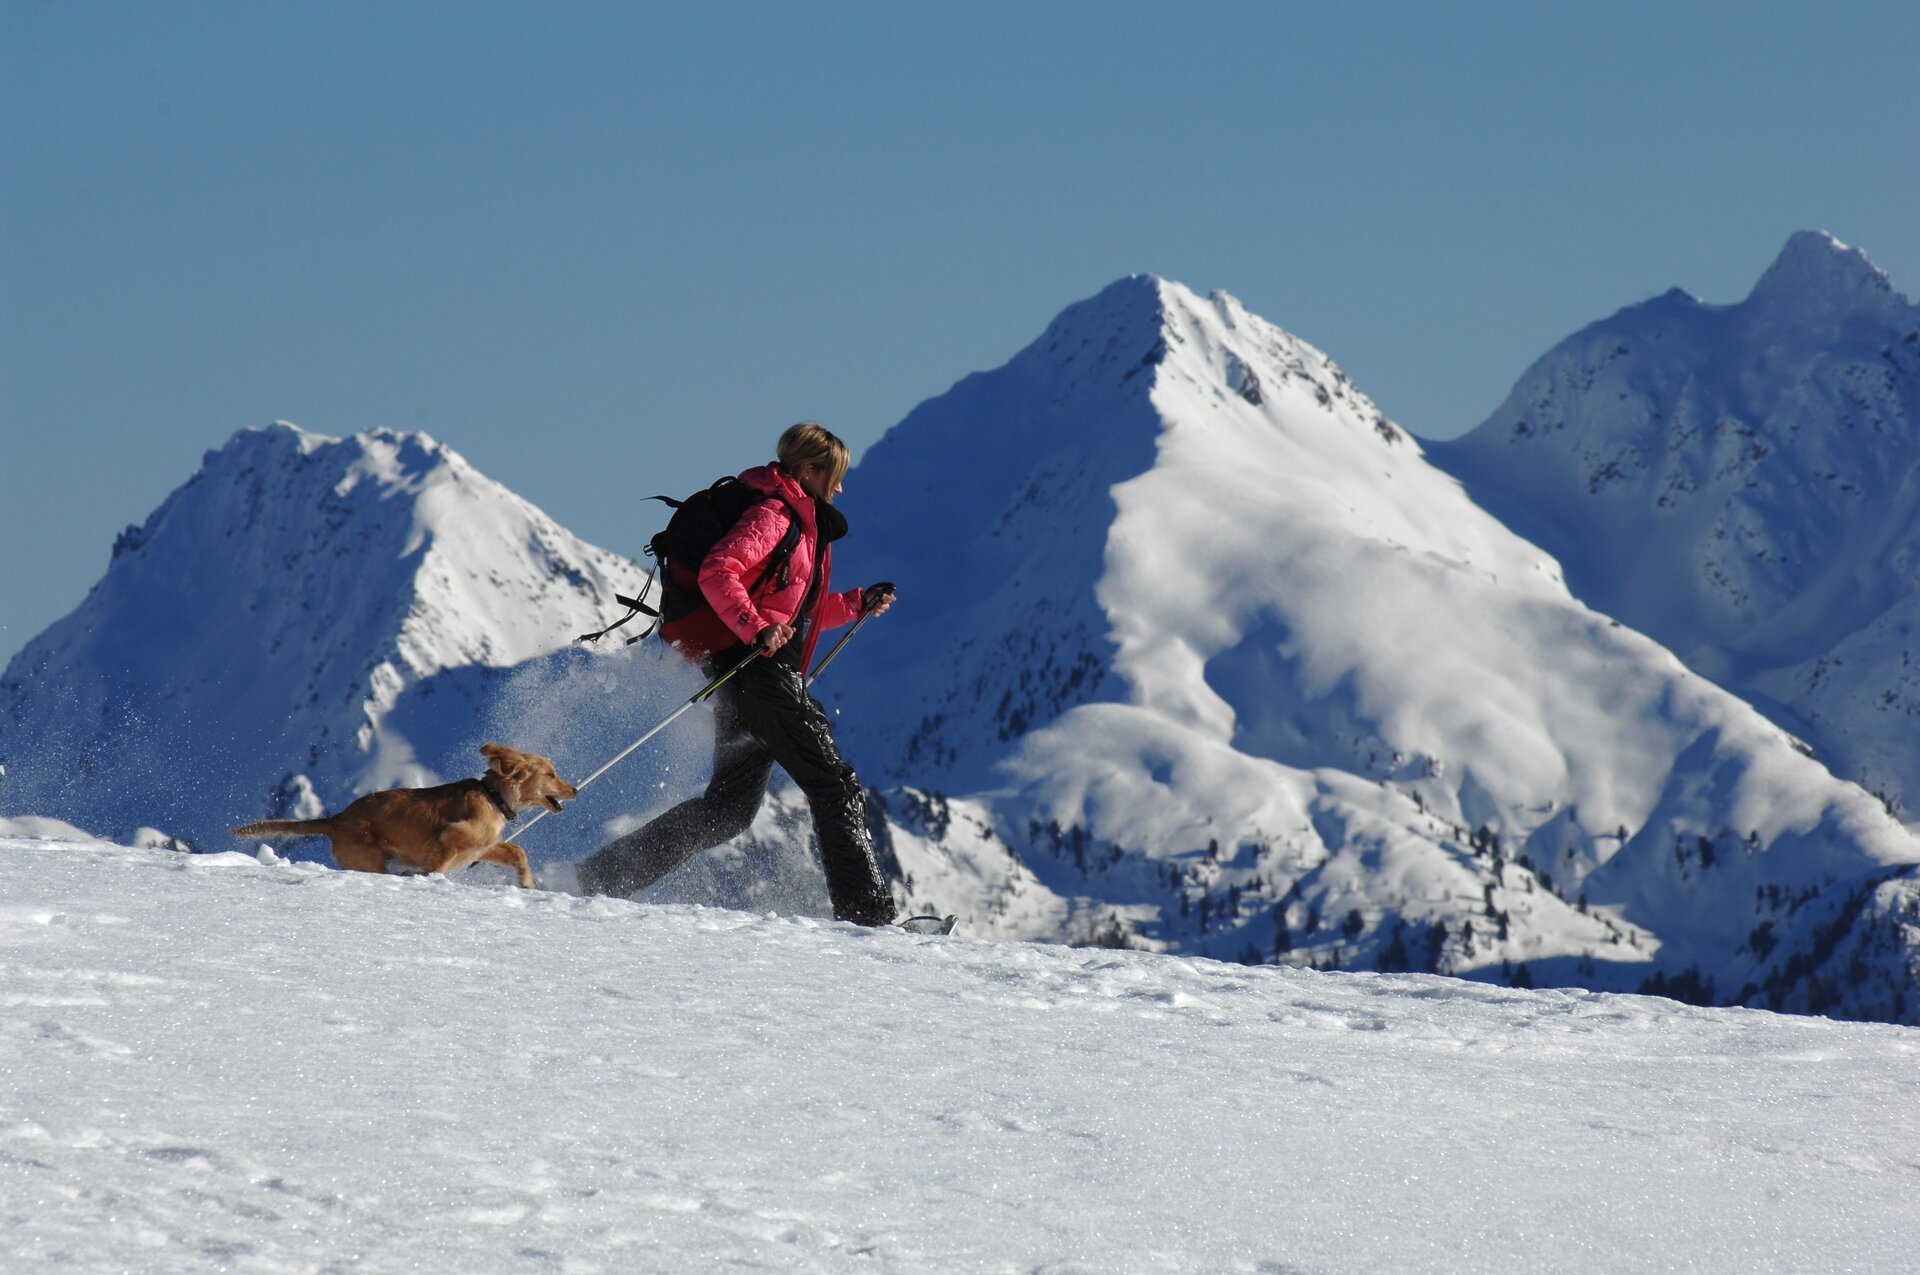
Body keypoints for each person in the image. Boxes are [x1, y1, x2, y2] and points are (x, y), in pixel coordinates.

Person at [576, 422, 898, 925]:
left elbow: (797, 613)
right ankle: (868, 916)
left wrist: (856, 604)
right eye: (835, 475)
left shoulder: (797, 521)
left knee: (726, 812)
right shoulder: (774, 514)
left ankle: (596, 878)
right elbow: (718, 571)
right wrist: (754, 628)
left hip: (746, 674)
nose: (840, 487)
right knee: (834, 786)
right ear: (808, 470)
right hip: (758, 673)